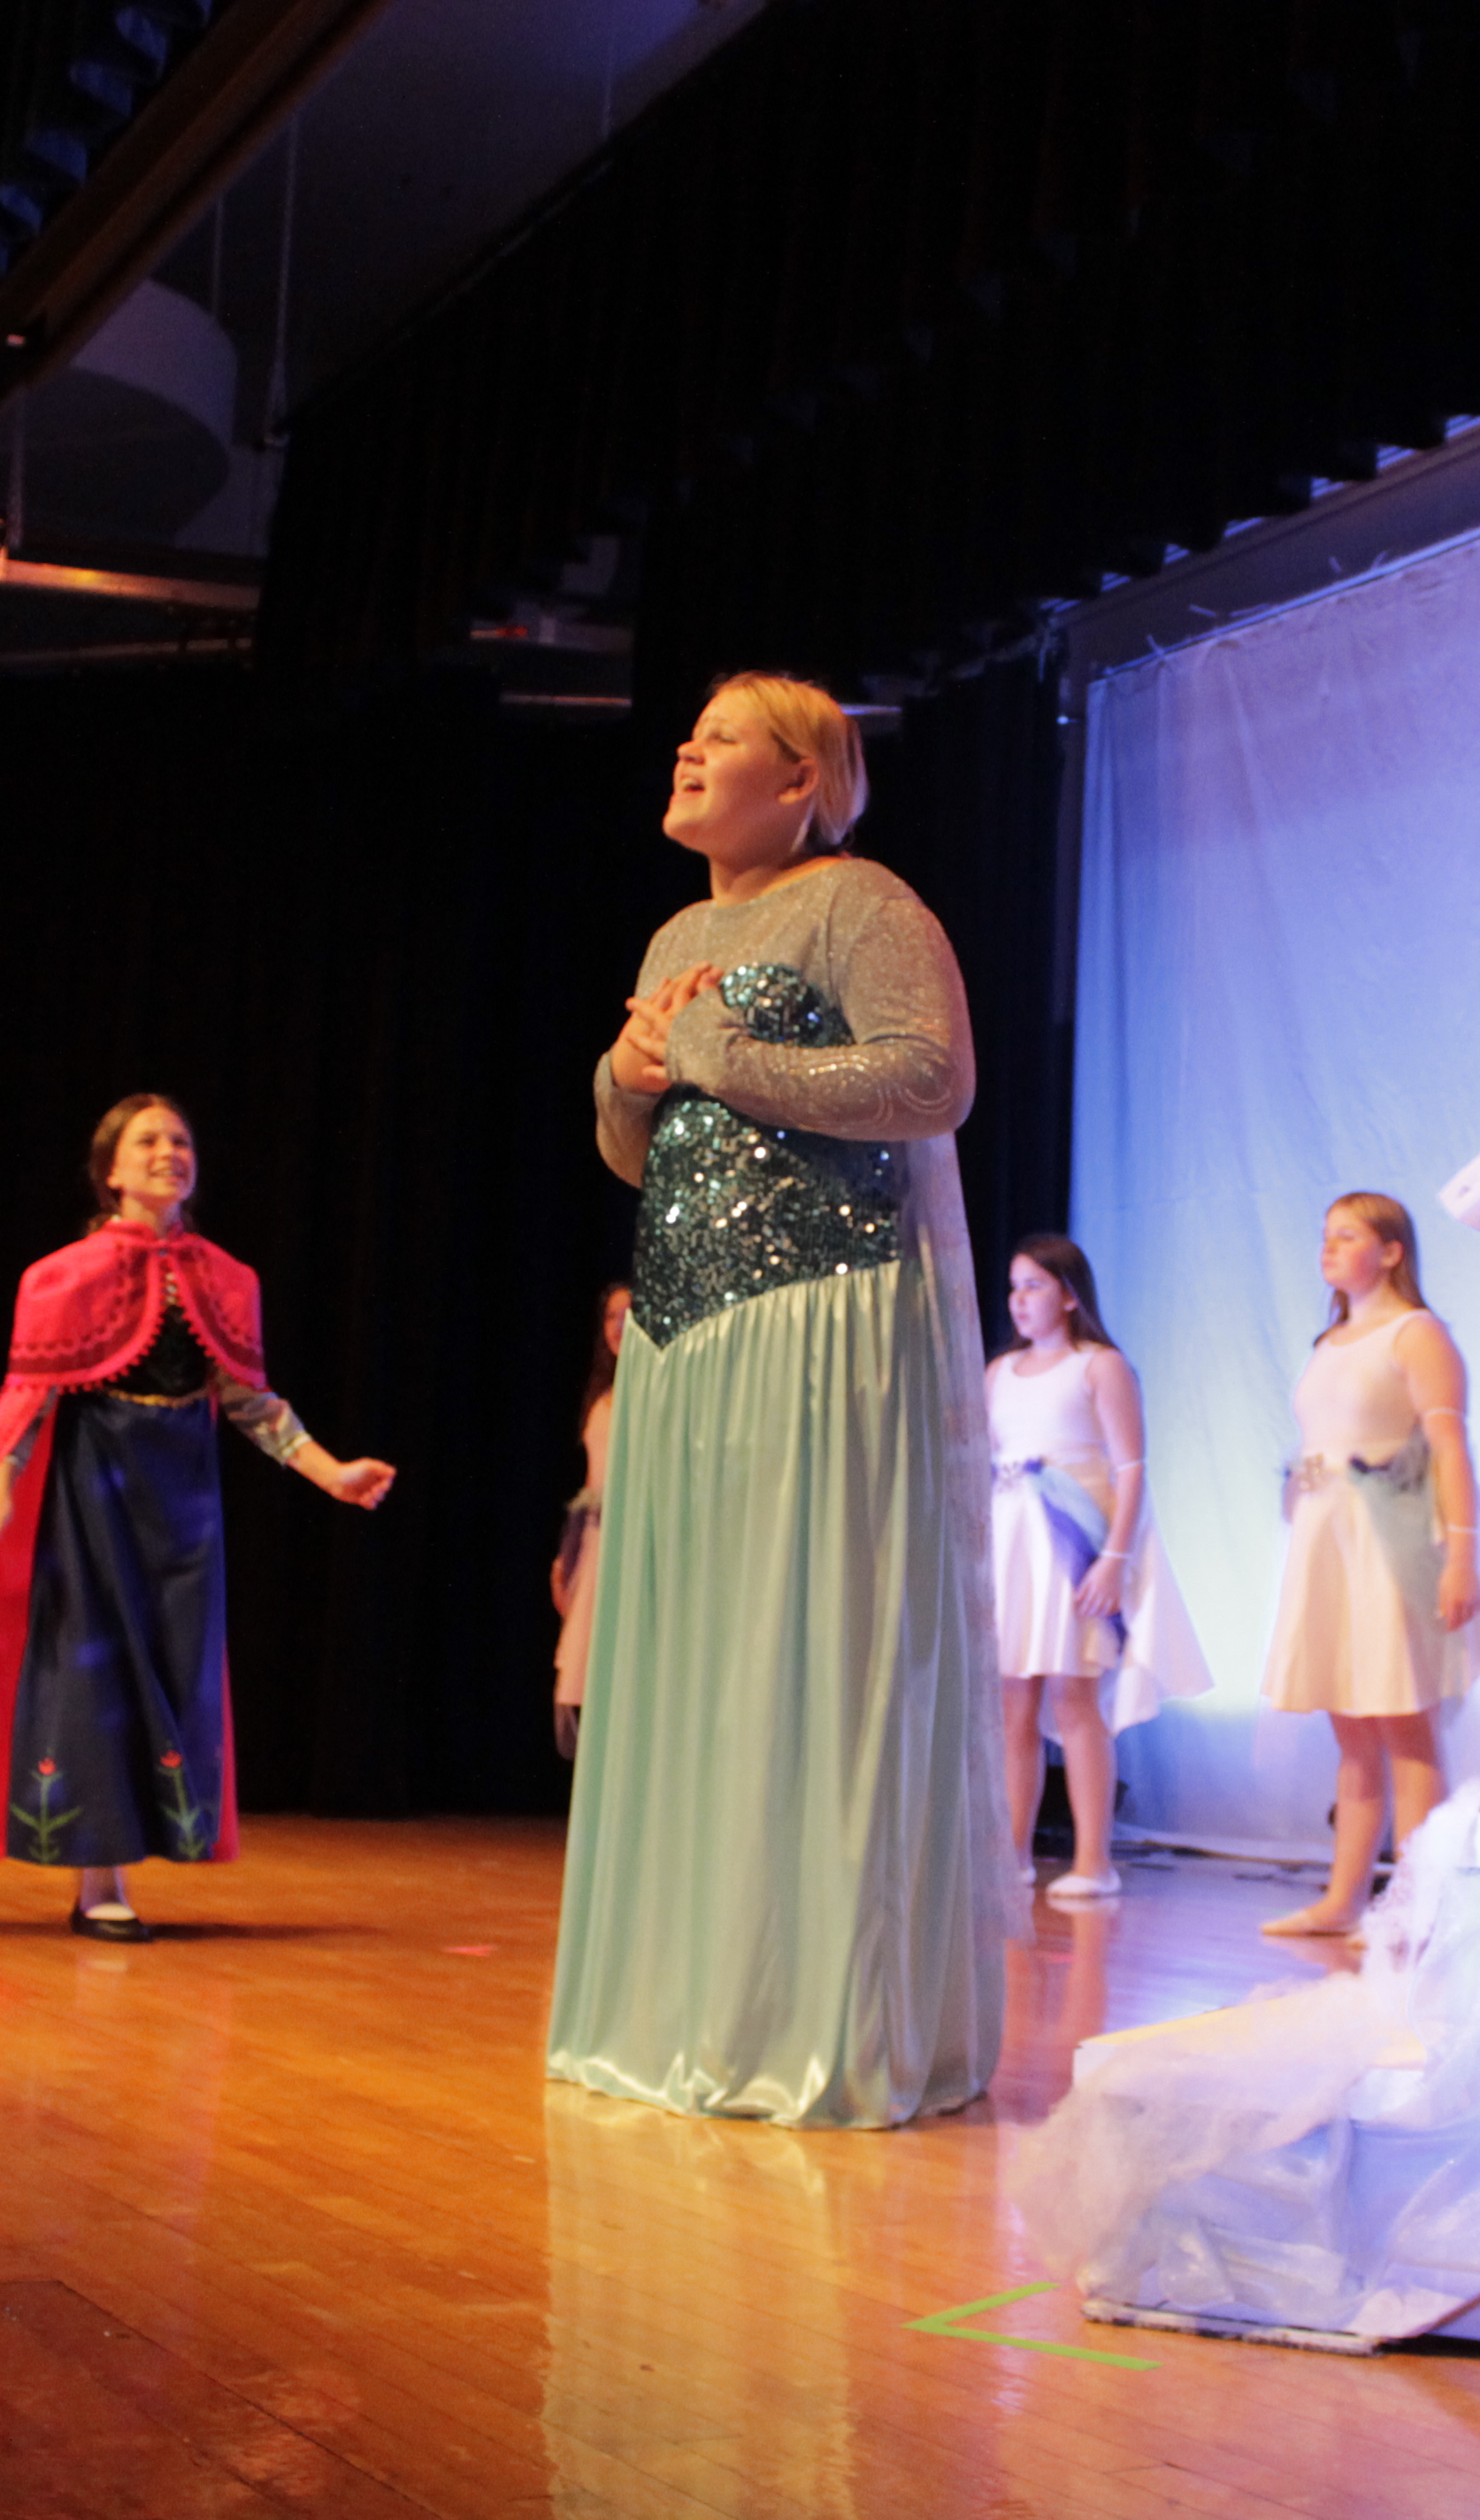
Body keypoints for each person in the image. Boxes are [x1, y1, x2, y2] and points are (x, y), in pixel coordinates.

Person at [545, 671, 1003, 2128]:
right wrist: (625, 1082)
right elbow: (646, 1149)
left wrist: (712, 1055)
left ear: (804, 779)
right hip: (686, 1333)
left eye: (726, 734)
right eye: (690, 731)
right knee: (693, 1656)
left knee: (802, 1646)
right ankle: (688, 1999)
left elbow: (932, 1079)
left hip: (820, 1320)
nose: (689, 747)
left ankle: (813, 2013)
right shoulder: (678, 930)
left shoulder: (859, 901)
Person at [0, 1095, 394, 1940]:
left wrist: (331, 1472)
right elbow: (30, 1401)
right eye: (147, 1141)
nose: (169, 1153)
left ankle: (129, 1858)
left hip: (184, 1509)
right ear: (111, 1171)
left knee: (172, 1678)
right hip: (97, 1500)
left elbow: (252, 1403)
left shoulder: (228, 1281)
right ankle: (98, 1883)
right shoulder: (61, 1278)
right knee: (94, 1677)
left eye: (181, 1140)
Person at [1260, 1191, 1480, 1937]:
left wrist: (1462, 1554)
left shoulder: (1417, 1334)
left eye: (1346, 1235)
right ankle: (1341, 1898)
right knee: (1351, 1727)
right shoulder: (1329, 1342)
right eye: (1324, 1235)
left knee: (1401, 1721)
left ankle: (1420, 1906)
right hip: (1328, 1540)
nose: (1327, 1248)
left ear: (1390, 1250)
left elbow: (1449, 1447)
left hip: (1388, 1542)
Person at [989, 1233, 1210, 1904]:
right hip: (1011, 1543)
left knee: (1074, 1695)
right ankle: (1012, 1858)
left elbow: (1131, 1468)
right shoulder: (998, 1373)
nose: (1019, 1300)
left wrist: (1114, 1558)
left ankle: (1094, 1861)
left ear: (1068, 1292)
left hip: (1074, 1543)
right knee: (1011, 1703)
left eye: (1034, 1285)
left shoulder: (1099, 1365)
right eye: (1014, 1286)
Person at [548, 1281, 631, 1760]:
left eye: (628, 1314)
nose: (617, 1327)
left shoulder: (653, 1395)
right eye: (609, 1317)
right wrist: (568, 1556)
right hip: (596, 1545)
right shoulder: (602, 1398)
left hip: (628, 1545)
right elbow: (588, 1487)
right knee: (584, 1676)